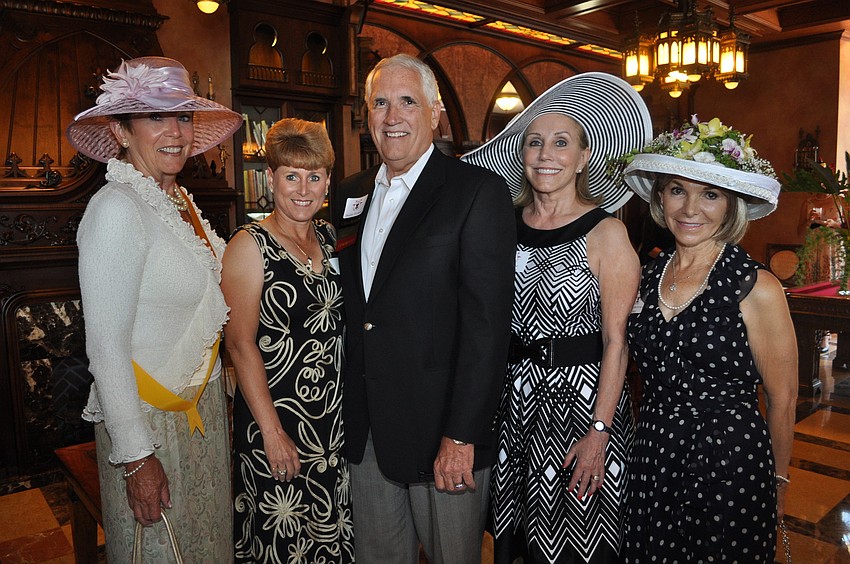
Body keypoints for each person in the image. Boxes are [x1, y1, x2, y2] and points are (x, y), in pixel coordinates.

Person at [462, 72, 653, 563]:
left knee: (574, 545)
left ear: (584, 156)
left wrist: (600, 433)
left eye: (561, 142)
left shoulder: (606, 233)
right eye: (535, 143)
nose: (546, 154)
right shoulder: (502, 227)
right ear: (521, 156)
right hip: (513, 408)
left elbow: (618, 343)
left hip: (579, 412)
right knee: (514, 542)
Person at [337, 53, 516, 563]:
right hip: (366, 429)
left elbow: (487, 328)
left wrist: (461, 434)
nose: (392, 117)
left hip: (444, 435)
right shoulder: (350, 194)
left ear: (435, 113)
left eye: (407, 102)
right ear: (367, 115)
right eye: (381, 103)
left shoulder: (475, 192)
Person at [67, 56, 242, 561]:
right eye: (154, 116)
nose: (175, 132)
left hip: (201, 415)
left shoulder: (179, 201)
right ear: (121, 131)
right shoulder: (115, 209)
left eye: (183, 116)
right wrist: (137, 457)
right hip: (148, 427)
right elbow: (104, 346)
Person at [619, 116, 798, 562]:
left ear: (731, 204)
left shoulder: (756, 286)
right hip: (654, 455)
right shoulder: (647, 276)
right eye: (677, 189)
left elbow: (784, 398)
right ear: (660, 197)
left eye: (710, 194)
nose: (689, 208)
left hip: (730, 462)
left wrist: (775, 483)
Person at [222, 118, 354, 562]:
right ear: (271, 177)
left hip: (330, 425)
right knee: (283, 543)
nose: (303, 188)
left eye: (314, 176)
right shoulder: (248, 245)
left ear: (327, 181)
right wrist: (273, 432)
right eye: (291, 175)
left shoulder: (332, 238)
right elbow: (239, 346)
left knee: (327, 537)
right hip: (275, 422)